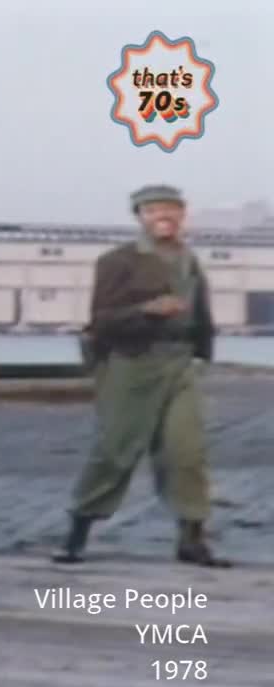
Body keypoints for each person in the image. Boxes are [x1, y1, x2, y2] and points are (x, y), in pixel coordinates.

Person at [54, 185, 230, 568]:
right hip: (132, 363)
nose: (163, 216)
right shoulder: (118, 260)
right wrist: (148, 310)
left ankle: (192, 540)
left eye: (171, 209)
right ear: (140, 216)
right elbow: (101, 320)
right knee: (117, 450)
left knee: (187, 452)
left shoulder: (188, 259)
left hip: (181, 363)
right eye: (153, 210)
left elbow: (201, 313)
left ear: (183, 214)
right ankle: (77, 531)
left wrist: (202, 354)